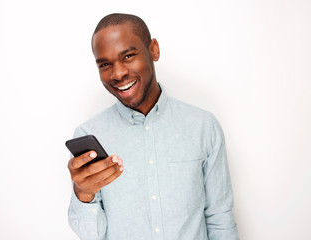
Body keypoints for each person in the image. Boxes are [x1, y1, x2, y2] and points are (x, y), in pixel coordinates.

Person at [67, 13, 238, 240]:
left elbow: (220, 218)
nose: (117, 74)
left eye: (128, 56)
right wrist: (83, 194)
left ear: (154, 50)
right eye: (105, 64)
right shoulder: (90, 135)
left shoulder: (203, 127)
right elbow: (91, 236)